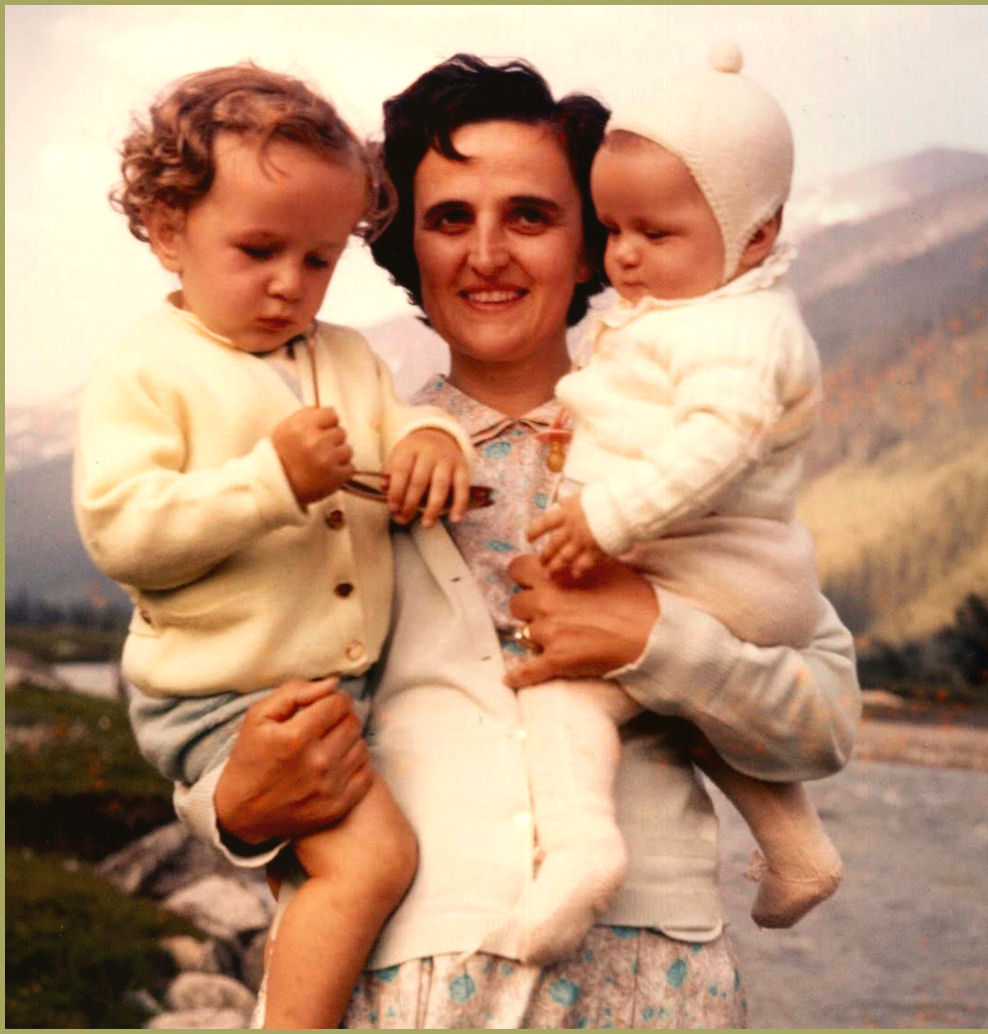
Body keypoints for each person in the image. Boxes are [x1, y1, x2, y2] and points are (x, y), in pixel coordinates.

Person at [131, 53, 861, 1029]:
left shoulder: (689, 442)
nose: (486, 253)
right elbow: (215, 666)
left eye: (528, 214)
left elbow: (825, 722)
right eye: (447, 218)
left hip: (653, 985)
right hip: (405, 979)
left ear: (592, 239)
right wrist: (229, 801)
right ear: (404, 245)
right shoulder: (336, 449)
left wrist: (655, 642)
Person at [73, 64, 475, 1030]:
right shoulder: (147, 371)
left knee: (381, 860)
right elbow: (123, 530)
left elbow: (405, 423)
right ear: (169, 230)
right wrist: (269, 483)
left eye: (320, 259)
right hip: (227, 692)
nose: (290, 285)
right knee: (373, 859)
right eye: (258, 249)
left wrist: (433, 442)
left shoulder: (343, 356)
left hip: (337, 685)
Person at [509, 43, 842, 960]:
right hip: (727, 583)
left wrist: (606, 519)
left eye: (655, 235)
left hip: (712, 570)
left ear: (757, 235)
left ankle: (580, 851)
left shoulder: (742, 328)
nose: (624, 257)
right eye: (612, 229)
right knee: (694, 710)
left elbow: (719, 443)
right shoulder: (696, 313)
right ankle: (798, 849)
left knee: (565, 697)